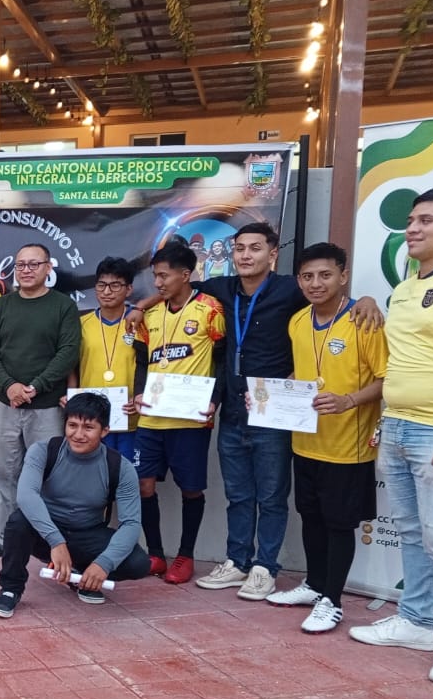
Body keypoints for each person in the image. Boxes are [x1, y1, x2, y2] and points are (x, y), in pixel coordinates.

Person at [127, 222, 381, 597]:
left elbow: (329, 298)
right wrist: (141, 305)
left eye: (255, 248)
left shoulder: (291, 290)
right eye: (240, 248)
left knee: (272, 497)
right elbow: (176, 286)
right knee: (239, 496)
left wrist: (366, 300)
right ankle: (237, 561)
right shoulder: (222, 288)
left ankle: (265, 567)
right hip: (233, 411)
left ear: (273, 254)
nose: (246, 255)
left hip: (274, 413)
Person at [350, 188, 433, 685]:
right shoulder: (407, 286)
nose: (411, 228)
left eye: (425, 220)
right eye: (410, 220)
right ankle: (416, 621)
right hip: (398, 425)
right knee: (412, 532)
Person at [264, 243, 387, 632]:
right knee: (311, 516)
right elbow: (302, 375)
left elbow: (386, 380)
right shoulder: (298, 321)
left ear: (343, 276)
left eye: (325, 275)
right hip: (306, 441)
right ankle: (314, 585)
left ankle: (332, 600)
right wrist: (273, 395)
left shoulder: (364, 320)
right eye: (307, 276)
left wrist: (348, 400)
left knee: (338, 524)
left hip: (348, 446)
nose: (315, 283)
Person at [0, 392, 150, 617]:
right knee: (18, 522)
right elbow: (26, 496)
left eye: (88, 427)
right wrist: (56, 541)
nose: (78, 434)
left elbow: (131, 524)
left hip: (87, 533)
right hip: (46, 535)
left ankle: (84, 577)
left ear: (105, 431)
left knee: (139, 563)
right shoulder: (43, 451)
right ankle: (10, 589)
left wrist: (104, 563)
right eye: (72, 425)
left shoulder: (120, 467)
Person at [0, 243, 82, 558]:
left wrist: (36, 386)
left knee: (47, 473)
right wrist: (9, 385)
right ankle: (4, 535)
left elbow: (68, 352)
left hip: (46, 405)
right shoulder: (2, 306)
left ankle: (45, 538)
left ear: (48, 267)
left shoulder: (63, 306)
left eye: (34, 264)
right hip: (3, 402)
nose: (26, 270)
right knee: (2, 470)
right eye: (21, 264)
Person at [133, 240, 225, 585]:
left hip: (190, 418)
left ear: (185, 275)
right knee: (143, 484)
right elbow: (142, 361)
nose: (157, 283)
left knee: (191, 489)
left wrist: (215, 400)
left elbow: (222, 359)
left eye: (163, 276)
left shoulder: (210, 310)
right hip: (151, 418)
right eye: (155, 276)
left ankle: (185, 555)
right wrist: (139, 391)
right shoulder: (150, 314)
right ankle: (156, 553)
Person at [68, 256, 144, 460]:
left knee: (129, 474)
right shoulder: (81, 324)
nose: (107, 292)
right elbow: (71, 365)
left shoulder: (140, 323)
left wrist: (140, 394)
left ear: (129, 289)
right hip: (92, 419)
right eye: (101, 285)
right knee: (95, 473)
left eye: (115, 285)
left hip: (130, 415)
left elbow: (149, 364)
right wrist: (71, 394)